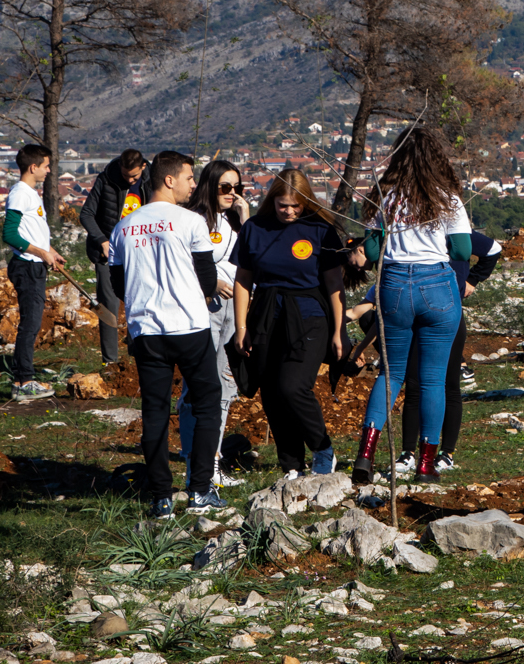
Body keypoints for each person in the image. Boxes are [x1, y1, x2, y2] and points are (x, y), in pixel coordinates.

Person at [349, 127, 471, 486]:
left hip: (395, 286)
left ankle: (366, 455)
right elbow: (463, 250)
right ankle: (427, 464)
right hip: (437, 285)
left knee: (391, 373)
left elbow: (371, 252)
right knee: (433, 379)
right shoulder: (447, 198)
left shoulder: (386, 199)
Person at [108, 150, 224, 515]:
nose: (194, 184)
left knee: (154, 411)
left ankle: (161, 496)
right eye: (190, 177)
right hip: (189, 327)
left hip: (147, 331)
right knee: (207, 404)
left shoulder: (124, 226)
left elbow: (116, 281)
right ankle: (200, 489)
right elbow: (207, 278)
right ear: (169, 179)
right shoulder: (191, 222)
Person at [233, 168, 348, 479]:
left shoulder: (320, 229)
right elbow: (243, 280)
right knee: (271, 391)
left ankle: (322, 448)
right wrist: (241, 327)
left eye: (296, 205)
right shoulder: (254, 228)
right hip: (266, 314)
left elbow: (335, 283)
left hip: (310, 314)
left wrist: (340, 331)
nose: (290, 211)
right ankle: (292, 464)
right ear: (273, 200)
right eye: (284, 205)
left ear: (306, 201)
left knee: (293, 385)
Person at [392, 229, 503, 476]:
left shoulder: (454, 232)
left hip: (449, 313)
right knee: (413, 383)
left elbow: (493, 249)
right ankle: (408, 452)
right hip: (415, 313)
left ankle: (447, 453)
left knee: (450, 383)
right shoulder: (412, 232)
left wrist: (473, 280)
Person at [178, 158, 247, 487]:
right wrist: (212, 283)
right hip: (205, 307)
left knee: (225, 383)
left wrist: (246, 219)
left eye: (238, 188)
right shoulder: (194, 219)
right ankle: (195, 460)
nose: (232, 194)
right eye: (225, 187)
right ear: (210, 186)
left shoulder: (235, 220)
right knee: (199, 385)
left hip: (236, 308)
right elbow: (184, 262)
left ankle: (214, 459)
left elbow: (250, 258)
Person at [0, 143, 63, 401]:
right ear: (33, 167)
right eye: (46, 166)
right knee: (30, 324)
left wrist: (51, 250)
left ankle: (24, 378)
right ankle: (24, 381)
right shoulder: (20, 194)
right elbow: (10, 234)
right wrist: (41, 253)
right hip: (27, 267)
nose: (48, 171)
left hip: (35, 265)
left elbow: (31, 231)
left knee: (34, 323)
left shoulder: (31, 194)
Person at [79, 149, 146, 364]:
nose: (129, 180)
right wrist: (102, 240)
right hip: (107, 253)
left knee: (139, 303)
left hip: (140, 253)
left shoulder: (151, 182)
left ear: (143, 167)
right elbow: (86, 213)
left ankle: (139, 358)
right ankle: (110, 362)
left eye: (134, 176)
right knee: (108, 304)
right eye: (125, 175)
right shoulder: (106, 179)